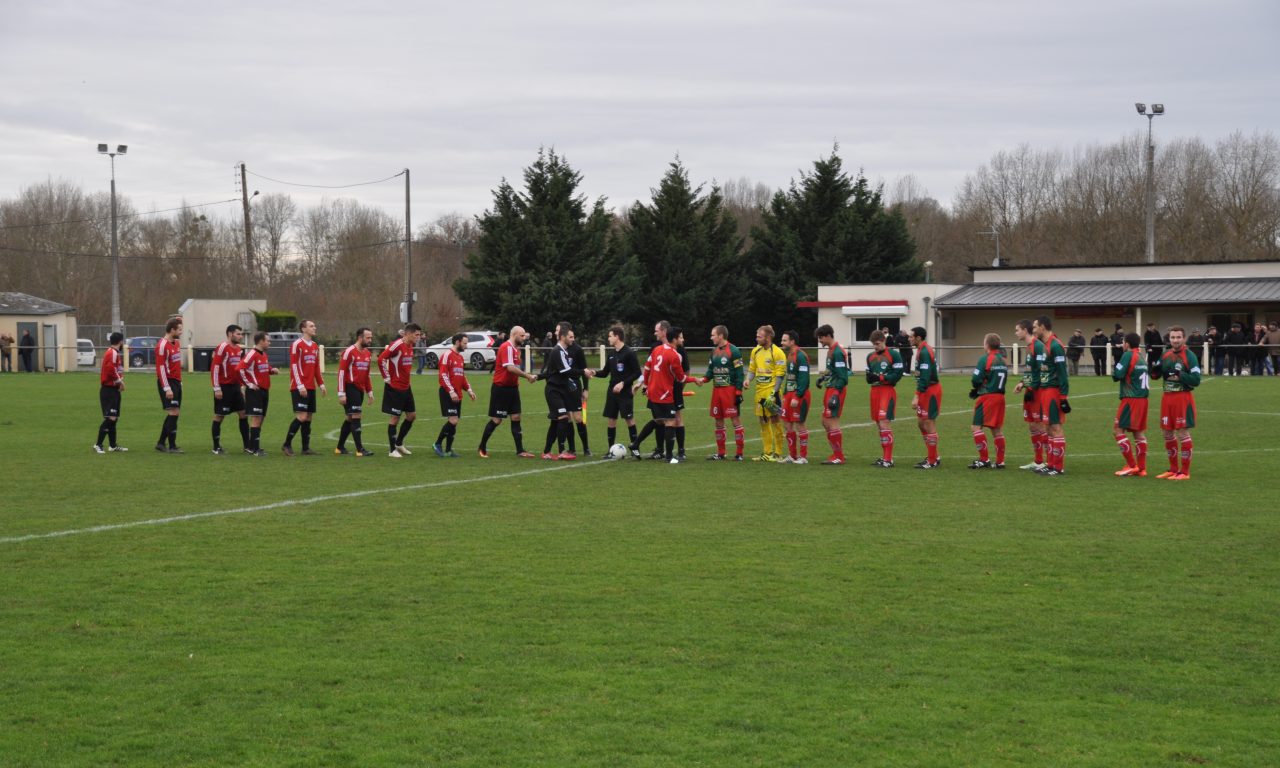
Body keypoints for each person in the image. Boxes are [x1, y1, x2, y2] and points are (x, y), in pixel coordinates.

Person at [478, 325, 538, 458]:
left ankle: (520, 450)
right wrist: (527, 376)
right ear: (514, 334)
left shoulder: (516, 349)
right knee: (497, 420)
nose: (524, 338)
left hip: (512, 389)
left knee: (516, 417)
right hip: (501, 389)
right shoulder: (506, 347)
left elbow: (514, 369)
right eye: (521, 335)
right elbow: (510, 368)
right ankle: (482, 447)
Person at [537, 324, 594, 460]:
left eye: (557, 330)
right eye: (570, 337)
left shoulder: (573, 350)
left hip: (572, 387)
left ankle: (584, 448)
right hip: (559, 388)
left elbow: (581, 368)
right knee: (563, 418)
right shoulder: (558, 350)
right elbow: (557, 371)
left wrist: (585, 388)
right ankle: (567, 449)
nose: (556, 333)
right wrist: (539, 377)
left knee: (576, 418)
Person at [1153, 326, 1201, 480]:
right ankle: (1173, 469)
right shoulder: (1165, 354)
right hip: (1167, 398)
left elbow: (1196, 380)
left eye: (1178, 337)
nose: (1175, 340)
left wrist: (1180, 375)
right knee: (1167, 433)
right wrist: (1154, 370)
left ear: (1184, 338)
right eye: (1172, 337)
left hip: (1182, 398)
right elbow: (1155, 375)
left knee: (1182, 432)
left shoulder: (1190, 355)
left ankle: (1184, 472)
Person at [592, 325, 642, 458]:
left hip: (625, 393)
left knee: (629, 419)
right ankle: (610, 450)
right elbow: (604, 373)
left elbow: (637, 372)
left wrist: (623, 383)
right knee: (611, 419)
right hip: (612, 392)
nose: (608, 338)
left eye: (610, 336)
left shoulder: (629, 353)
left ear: (617, 337)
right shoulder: (612, 354)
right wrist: (593, 372)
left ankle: (635, 448)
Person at [638, 321, 685, 464]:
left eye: (656, 330)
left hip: (660, 390)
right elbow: (681, 376)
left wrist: (645, 383)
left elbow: (647, 367)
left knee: (663, 420)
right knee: (669, 421)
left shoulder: (659, 349)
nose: (683, 340)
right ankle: (668, 455)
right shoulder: (672, 353)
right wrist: (696, 380)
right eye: (681, 337)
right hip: (665, 392)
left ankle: (637, 444)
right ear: (675, 338)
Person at [281, 320, 326, 456]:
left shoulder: (314, 346)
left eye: (314, 325)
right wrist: (300, 385)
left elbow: (316, 367)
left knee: (308, 417)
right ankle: (286, 444)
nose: (314, 327)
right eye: (311, 326)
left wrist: (321, 384)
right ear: (303, 329)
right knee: (301, 416)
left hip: (310, 386)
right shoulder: (297, 345)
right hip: (299, 386)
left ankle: (305, 448)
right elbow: (294, 366)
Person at [1033, 315, 1070, 476]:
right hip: (1045, 391)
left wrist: (1063, 397)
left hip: (1054, 392)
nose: (1033, 330)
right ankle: (1051, 464)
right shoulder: (1045, 345)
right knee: (1048, 427)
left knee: (1055, 427)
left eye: (1035, 327)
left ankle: (1058, 467)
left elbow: (1062, 373)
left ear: (1042, 327)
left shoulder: (1055, 345)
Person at [378, 322, 422, 458]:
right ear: (408, 334)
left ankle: (399, 443)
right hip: (395, 387)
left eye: (419, 335)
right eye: (417, 335)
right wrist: (386, 378)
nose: (419, 337)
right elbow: (381, 359)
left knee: (411, 416)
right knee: (395, 418)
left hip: (406, 387)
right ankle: (392, 450)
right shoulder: (397, 345)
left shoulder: (411, 346)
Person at [964, 333, 1008, 469]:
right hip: (1000, 397)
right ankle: (1000, 461)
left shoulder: (985, 359)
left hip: (988, 396)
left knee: (976, 427)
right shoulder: (1002, 359)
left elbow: (976, 379)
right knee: (996, 429)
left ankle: (984, 460)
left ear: (987, 344)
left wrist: (978, 388)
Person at [631, 320, 674, 459]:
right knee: (664, 420)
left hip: (667, 390)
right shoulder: (655, 347)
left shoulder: (675, 346)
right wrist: (642, 383)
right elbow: (648, 367)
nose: (654, 333)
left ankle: (661, 450)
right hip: (660, 391)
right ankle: (665, 452)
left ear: (664, 332)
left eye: (656, 330)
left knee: (661, 420)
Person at [745, 325, 787, 462]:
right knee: (763, 420)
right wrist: (747, 380)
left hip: (772, 392)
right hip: (759, 392)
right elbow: (752, 369)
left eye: (759, 336)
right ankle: (767, 452)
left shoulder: (777, 352)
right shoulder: (755, 351)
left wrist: (774, 393)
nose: (756, 338)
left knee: (775, 419)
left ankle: (778, 453)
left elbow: (780, 375)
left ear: (768, 337)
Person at [1111, 332, 1150, 477]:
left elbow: (1117, 375)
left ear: (1126, 343)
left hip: (1131, 398)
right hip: (1143, 399)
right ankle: (1141, 468)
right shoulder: (1141, 356)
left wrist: (1117, 367)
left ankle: (1131, 465)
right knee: (1138, 432)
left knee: (1118, 430)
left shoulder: (1127, 355)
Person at [865, 329, 904, 468]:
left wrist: (880, 377)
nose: (875, 347)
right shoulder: (870, 357)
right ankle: (885, 457)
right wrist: (870, 377)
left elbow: (897, 375)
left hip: (887, 391)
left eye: (877, 344)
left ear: (884, 341)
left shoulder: (894, 354)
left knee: (884, 422)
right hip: (874, 391)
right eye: (873, 344)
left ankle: (888, 459)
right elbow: (868, 377)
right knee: (879, 425)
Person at [434, 333, 477, 457]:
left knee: (455, 422)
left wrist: (469, 390)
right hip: (448, 393)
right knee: (453, 420)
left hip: (457, 394)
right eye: (464, 343)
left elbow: (461, 376)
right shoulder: (447, 355)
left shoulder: (460, 358)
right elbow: (443, 375)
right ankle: (437, 443)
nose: (466, 346)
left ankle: (448, 449)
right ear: (458, 342)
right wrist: (451, 391)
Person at [336, 327, 377, 457]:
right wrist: (341, 393)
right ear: (360, 338)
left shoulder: (367, 354)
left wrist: (369, 391)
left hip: (360, 390)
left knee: (350, 417)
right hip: (350, 388)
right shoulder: (349, 352)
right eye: (368, 337)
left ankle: (339, 447)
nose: (370, 340)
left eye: (371, 337)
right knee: (356, 416)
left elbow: (367, 374)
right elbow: (341, 372)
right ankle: (360, 449)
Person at [812, 325, 849, 465]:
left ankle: (838, 456)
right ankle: (837, 453)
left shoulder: (838, 352)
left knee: (831, 421)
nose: (819, 341)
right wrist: (823, 378)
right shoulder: (831, 351)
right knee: (825, 421)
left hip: (836, 389)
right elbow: (831, 370)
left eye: (820, 338)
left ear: (828, 335)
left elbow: (843, 376)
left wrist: (836, 393)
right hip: (830, 387)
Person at [210, 324, 249, 456]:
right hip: (223, 387)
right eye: (238, 334)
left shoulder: (239, 349)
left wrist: (242, 386)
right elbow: (215, 368)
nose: (240, 336)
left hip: (236, 387)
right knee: (219, 416)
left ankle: (247, 446)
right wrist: (216, 388)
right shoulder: (222, 347)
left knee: (243, 413)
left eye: (241, 334)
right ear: (230, 334)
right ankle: (216, 447)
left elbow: (240, 370)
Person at [238, 332, 278, 456]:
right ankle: (255, 449)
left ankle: (252, 447)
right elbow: (240, 368)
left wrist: (271, 370)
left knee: (261, 418)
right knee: (256, 418)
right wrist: (248, 384)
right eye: (268, 341)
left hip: (265, 390)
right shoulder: (252, 354)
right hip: (255, 391)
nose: (269, 343)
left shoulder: (263, 354)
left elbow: (262, 368)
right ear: (261, 341)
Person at [1014, 319, 1046, 471]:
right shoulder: (1029, 347)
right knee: (1032, 425)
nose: (1016, 333)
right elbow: (1030, 371)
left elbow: (1041, 370)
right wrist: (1022, 383)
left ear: (1025, 330)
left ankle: (1048, 461)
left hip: (1038, 392)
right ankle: (1038, 460)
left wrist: (1032, 387)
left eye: (1017, 330)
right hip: (1031, 390)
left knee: (1040, 425)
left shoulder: (1038, 346)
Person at [909, 326, 942, 469]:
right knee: (921, 423)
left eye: (911, 336)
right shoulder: (921, 350)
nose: (909, 338)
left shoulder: (925, 352)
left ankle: (932, 460)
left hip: (931, 390)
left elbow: (926, 376)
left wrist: (917, 395)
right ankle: (934, 455)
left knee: (928, 423)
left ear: (918, 338)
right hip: (926, 390)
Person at [778, 330, 811, 464]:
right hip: (789, 394)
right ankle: (792, 455)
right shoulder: (790, 355)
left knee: (800, 423)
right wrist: (786, 393)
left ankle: (803, 457)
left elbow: (804, 378)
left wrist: (797, 396)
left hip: (799, 395)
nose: (782, 343)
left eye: (784, 340)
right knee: (787, 423)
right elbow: (790, 377)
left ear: (792, 341)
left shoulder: (800, 355)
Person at [93, 332, 128, 453]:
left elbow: (117, 370)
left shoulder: (115, 353)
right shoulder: (112, 352)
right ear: (120, 341)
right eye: (123, 341)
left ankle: (112, 445)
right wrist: (120, 382)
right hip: (108, 390)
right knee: (111, 417)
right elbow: (110, 370)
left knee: (114, 418)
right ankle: (98, 444)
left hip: (113, 389)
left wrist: (120, 382)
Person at [154, 317, 184, 454]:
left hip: (176, 382)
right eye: (179, 330)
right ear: (172, 330)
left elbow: (176, 365)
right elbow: (161, 369)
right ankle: (171, 446)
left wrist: (180, 382)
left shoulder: (176, 343)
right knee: (173, 412)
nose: (181, 332)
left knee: (175, 413)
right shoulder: (162, 345)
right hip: (167, 382)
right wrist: (167, 388)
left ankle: (161, 443)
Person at [668, 326, 691, 461]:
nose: (683, 339)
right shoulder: (663, 349)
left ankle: (681, 450)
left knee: (677, 417)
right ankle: (663, 450)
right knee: (661, 419)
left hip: (675, 388)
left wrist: (680, 388)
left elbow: (686, 372)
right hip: (663, 389)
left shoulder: (681, 351)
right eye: (681, 337)